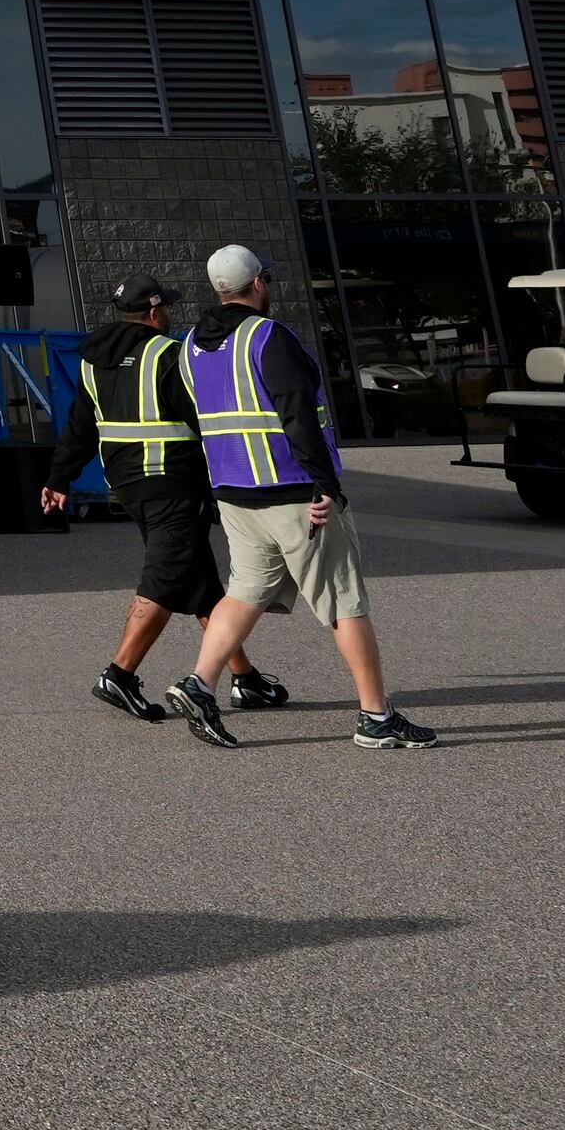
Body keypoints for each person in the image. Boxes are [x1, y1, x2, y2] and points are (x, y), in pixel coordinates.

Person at [169, 244, 440, 751]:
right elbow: (297, 414)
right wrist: (327, 485)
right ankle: (376, 718)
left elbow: (199, 417)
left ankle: (199, 684)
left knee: (245, 588)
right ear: (256, 285)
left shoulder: (190, 347)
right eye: (265, 279)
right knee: (343, 599)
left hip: (233, 490)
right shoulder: (268, 337)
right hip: (293, 490)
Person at [41, 272, 282, 722]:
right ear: (154, 312)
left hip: (129, 486)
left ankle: (246, 680)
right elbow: (205, 416)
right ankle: (119, 673)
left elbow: (79, 426)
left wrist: (59, 479)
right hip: (171, 483)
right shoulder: (168, 354)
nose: (168, 313)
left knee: (200, 583)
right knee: (164, 579)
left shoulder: (92, 361)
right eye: (165, 307)